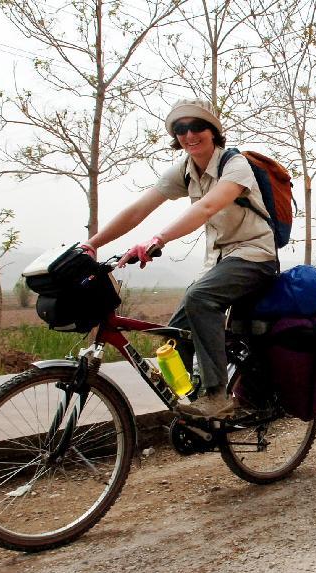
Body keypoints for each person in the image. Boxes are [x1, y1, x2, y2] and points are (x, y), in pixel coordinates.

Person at [82, 99, 277, 420]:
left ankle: (217, 396)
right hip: (218, 263)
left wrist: (158, 240)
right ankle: (190, 404)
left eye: (197, 126)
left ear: (213, 131)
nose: (190, 134)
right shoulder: (184, 171)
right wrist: (91, 244)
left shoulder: (235, 165)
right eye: (181, 129)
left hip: (255, 256)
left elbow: (205, 208)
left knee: (200, 298)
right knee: (175, 335)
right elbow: (137, 210)